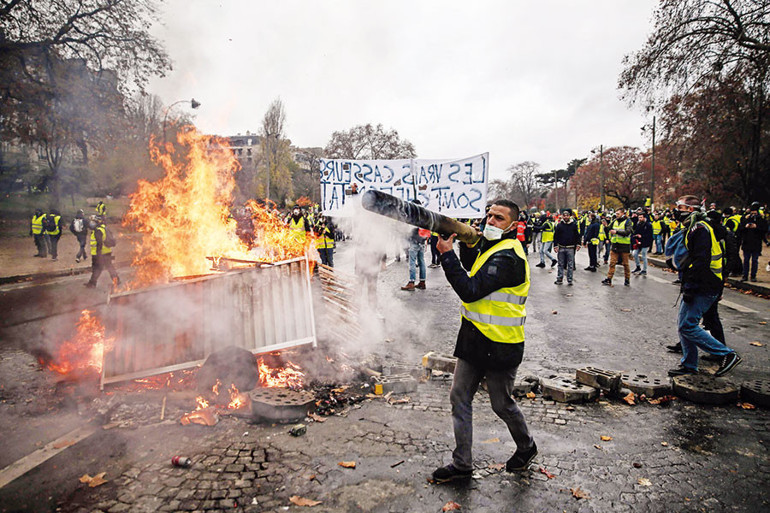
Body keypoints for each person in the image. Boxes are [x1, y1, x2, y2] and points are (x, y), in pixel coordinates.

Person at [430, 199, 536, 484]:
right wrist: (461, 243)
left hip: (501, 345)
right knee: (459, 396)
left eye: (499, 218)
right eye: (489, 215)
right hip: (474, 340)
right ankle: (462, 464)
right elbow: (473, 265)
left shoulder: (509, 256)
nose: (490, 221)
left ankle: (527, 447)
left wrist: (447, 255)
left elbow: (470, 289)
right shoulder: (492, 247)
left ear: (514, 225)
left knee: (501, 405)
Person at [668, 195, 742, 377]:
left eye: (679, 207)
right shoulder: (694, 227)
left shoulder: (699, 229)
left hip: (704, 285)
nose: (676, 210)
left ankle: (726, 354)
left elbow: (701, 260)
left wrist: (692, 287)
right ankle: (689, 365)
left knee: (688, 325)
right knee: (683, 325)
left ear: (690, 210)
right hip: (700, 283)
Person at [85, 216, 120, 288]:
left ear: (97, 222)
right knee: (109, 267)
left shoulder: (98, 230)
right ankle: (117, 281)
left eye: (93, 222)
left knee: (97, 269)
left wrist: (98, 254)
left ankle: (92, 284)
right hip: (107, 252)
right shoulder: (104, 228)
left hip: (99, 253)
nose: (91, 223)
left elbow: (99, 243)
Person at [601, 208, 633, 286]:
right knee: (612, 263)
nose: (616, 215)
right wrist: (605, 226)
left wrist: (616, 232)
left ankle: (627, 279)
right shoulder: (614, 221)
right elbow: (608, 229)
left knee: (625, 264)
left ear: (623, 213)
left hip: (624, 245)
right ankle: (609, 278)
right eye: (616, 213)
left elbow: (628, 232)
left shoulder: (628, 221)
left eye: (618, 214)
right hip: (615, 245)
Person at [401, 200, 429, 291]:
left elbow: (409, 229)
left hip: (414, 241)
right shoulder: (425, 215)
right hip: (422, 242)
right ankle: (422, 282)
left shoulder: (414, 216)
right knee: (421, 262)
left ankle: (411, 282)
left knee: (412, 261)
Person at [738, 202, 768, 282]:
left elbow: (764, 231)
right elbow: (740, 230)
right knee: (746, 260)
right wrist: (746, 226)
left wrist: (756, 227)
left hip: (756, 242)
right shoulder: (745, 219)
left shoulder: (761, 220)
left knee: (754, 260)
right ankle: (745, 275)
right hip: (747, 242)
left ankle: (753, 275)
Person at [553, 209, 581, 285]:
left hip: (571, 248)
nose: (565, 217)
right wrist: (555, 245)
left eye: (567, 215)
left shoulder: (573, 225)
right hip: (561, 247)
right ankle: (559, 279)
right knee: (560, 264)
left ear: (570, 216)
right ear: (562, 216)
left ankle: (570, 280)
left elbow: (577, 235)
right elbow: (556, 236)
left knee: (570, 265)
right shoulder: (559, 225)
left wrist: (578, 244)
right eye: (564, 215)